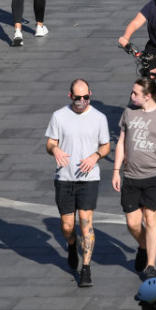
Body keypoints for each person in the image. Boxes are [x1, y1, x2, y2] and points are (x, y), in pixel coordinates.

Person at [112, 78, 156, 281]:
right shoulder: (128, 112)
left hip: (155, 176)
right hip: (131, 176)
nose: (131, 96)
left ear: (148, 96)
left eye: (135, 93)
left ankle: (151, 264)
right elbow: (122, 142)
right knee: (132, 223)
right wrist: (116, 170)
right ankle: (143, 245)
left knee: (151, 219)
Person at [45, 79, 110, 287]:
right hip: (65, 178)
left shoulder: (99, 118)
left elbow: (106, 145)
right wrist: (55, 150)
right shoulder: (59, 116)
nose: (82, 101)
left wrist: (96, 156)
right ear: (70, 96)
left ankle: (86, 268)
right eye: (77, 97)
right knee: (67, 225)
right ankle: (71, 244)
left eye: (86, 97)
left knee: (86, 221)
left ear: (90, 94)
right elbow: (50, 142)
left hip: (88, 179)